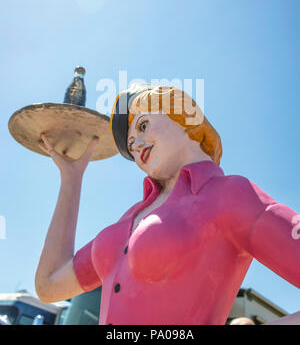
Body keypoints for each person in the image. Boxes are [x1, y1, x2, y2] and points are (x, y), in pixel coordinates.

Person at [35, 84, 300, 325]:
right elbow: (49, 285)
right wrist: (71, 178)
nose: (136, 146)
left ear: (185, 117)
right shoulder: (127, 219)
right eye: (130, 144)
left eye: (142, 126)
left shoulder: (230, 194)